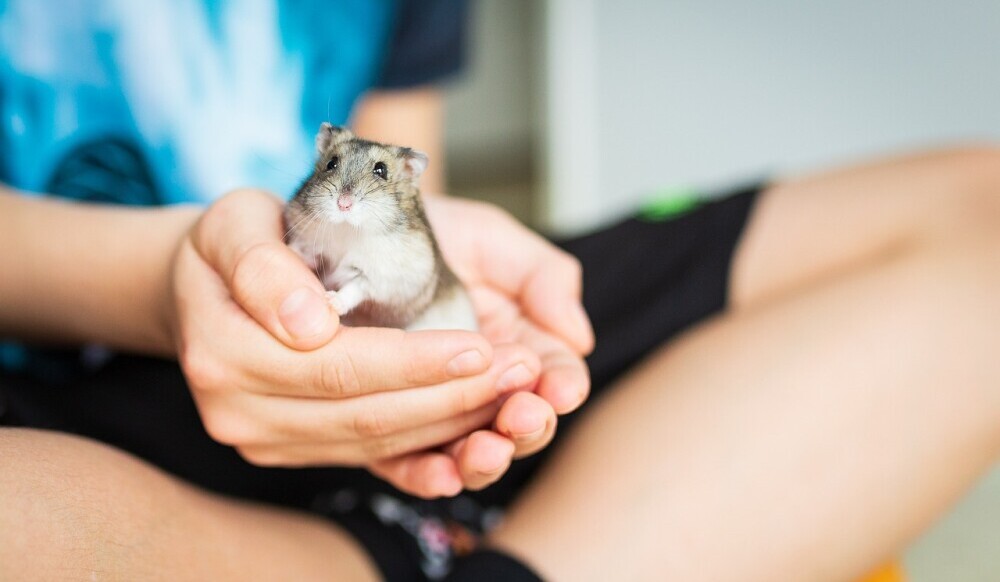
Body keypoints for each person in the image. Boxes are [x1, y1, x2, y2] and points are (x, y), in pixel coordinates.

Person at [1, 2, 999, 581]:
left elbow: (405, 174)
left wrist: (432, 306)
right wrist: (164, 280)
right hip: (72, 379)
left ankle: (458, 553)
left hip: (379, 349)